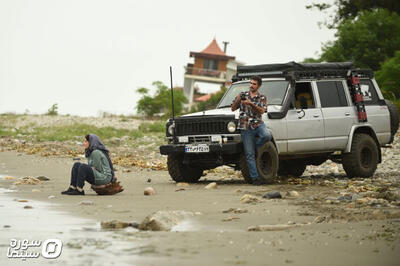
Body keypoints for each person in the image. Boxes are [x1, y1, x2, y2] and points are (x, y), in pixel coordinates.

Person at [231, 76, 271, 185]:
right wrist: (238, 99)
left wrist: (250, 104)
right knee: (249, 155)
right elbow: (233, 108)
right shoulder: (243, 95)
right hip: (245, 126)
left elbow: (262, 111)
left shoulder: (262, 97)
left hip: (258, 123)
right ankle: (255, 178)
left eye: (254, 84)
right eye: (251, 83)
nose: (251, 85)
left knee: (267, 135)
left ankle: (256, 147)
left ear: (259, 86)